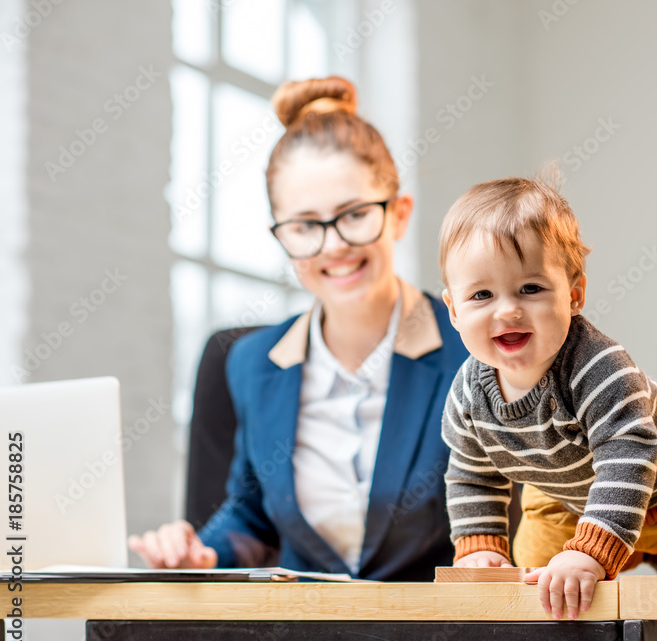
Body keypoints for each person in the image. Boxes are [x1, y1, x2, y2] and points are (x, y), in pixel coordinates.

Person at [129, 76, 468, 586]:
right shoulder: (251, 362)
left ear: (399, 215)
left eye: (354, 215)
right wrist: (200, 552)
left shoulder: (474, 349)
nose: (333, 246)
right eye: (305, 226)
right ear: (281, 235)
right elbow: (252, 518)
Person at [438, 176, 657, 619]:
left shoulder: (597, 366)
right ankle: (633, 577)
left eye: (530, 288)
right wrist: (479, 547)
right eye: (482, 295)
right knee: (536, 566)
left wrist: (591, 552)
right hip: (580, 492)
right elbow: (471, 474)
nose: (508, 310)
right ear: (454, 311)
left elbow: (628, 452)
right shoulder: (467, 396)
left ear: (574, 295)